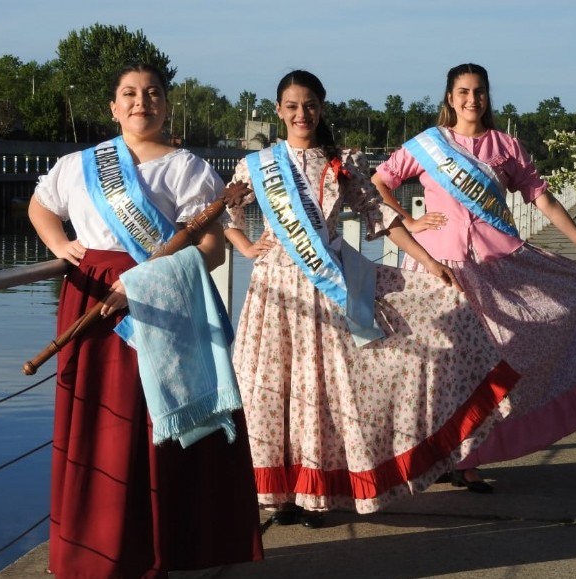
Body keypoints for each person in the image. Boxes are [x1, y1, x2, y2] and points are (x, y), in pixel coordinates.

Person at [223, 69, 520, 526]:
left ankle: (316, 492)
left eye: (310, 105)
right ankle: (280, 492)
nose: (302, 114)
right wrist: (244, 246)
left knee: (325, 392)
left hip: (331, 289)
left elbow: (380, 215)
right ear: (279, 111)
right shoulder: (257, 165)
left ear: (321, 109)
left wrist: (429, 261)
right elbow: (226, 210)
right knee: (274, 388)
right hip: (275, 290)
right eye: (293, 106)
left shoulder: (341, 162)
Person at [27, 63, 263, 578]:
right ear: (113, 106)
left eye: (152, 93)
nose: (141, 102)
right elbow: (40, 207)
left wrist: (140, 285)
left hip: (160, 306)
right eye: (129, 94)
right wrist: (60, 245)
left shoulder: (188, 168)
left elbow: (211, 251)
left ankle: (162, 549)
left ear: (166, 104)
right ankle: (96, 548)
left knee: (153, 422)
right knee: (98, 422)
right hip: (91, 299)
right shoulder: (78, 164)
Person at [371, 63, 576, 492]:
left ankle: (470, 458)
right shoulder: (427, 145)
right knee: (438, 366)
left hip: (497, 270)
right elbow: (379, 181)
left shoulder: (505, 146)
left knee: (494, 363)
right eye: (464, 92)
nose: (472, 99)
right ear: (450, 98)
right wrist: (408, 223)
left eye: (480, 91)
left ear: (488, 96)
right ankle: (435, 456)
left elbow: (542, 199)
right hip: (438, 272)